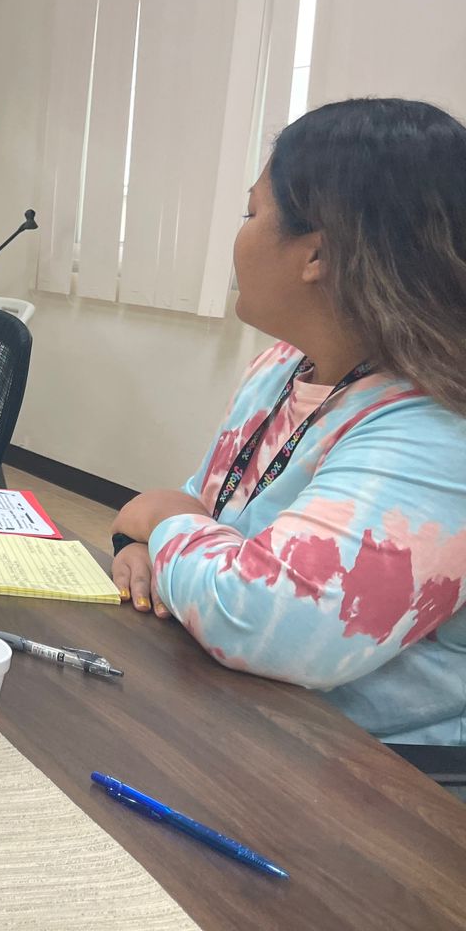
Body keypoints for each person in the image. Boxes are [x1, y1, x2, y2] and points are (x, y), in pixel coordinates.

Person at [110, 98, 466, 745]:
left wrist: (158, 525)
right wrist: (148, 547)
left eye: (251, 213)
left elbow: (269, 624)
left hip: (370, 771)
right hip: (233, 705)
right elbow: (205, 508)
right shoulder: (283, 366)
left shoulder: (438, 428)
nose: (240, 236)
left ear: (316, 255)